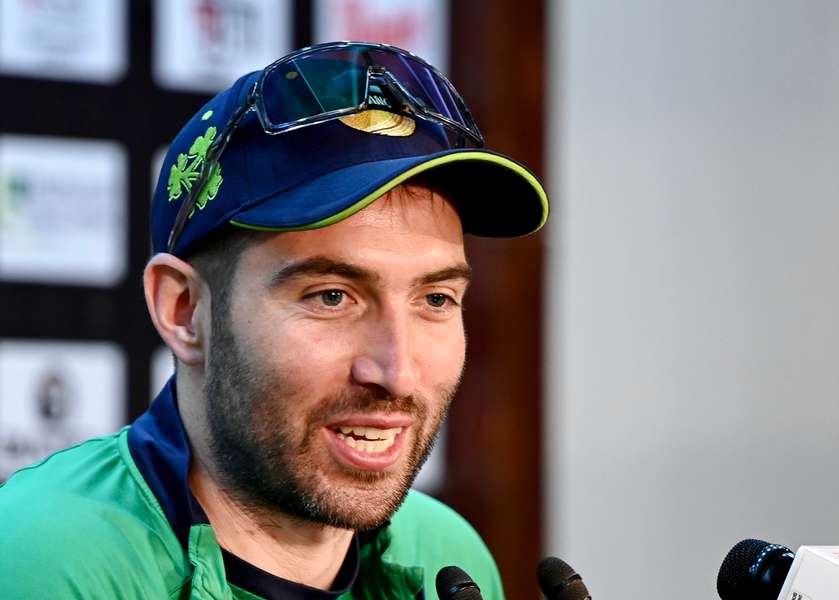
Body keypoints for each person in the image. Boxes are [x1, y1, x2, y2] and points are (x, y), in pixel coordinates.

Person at [0, 42, 548, 599]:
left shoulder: (445, 556)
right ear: (183, 311)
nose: (397, 372)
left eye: (435, 299)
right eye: (332, 297)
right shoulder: (47, 560)